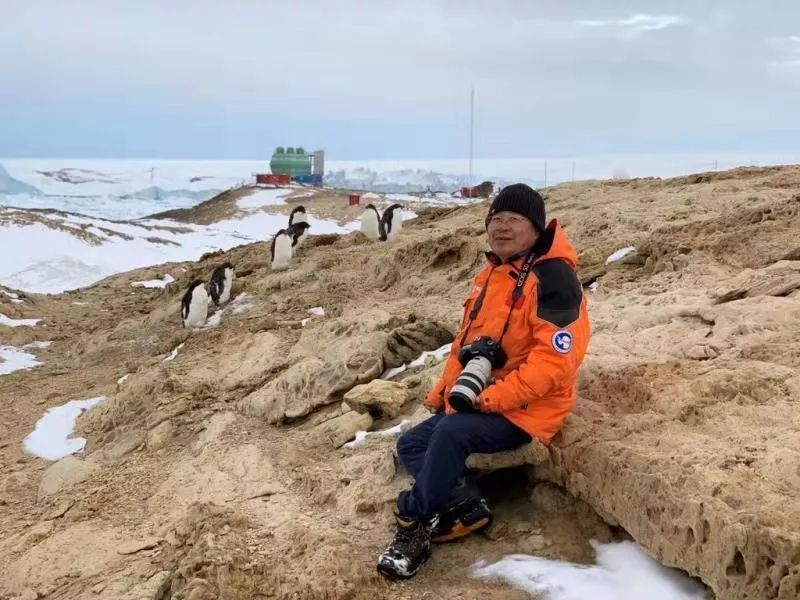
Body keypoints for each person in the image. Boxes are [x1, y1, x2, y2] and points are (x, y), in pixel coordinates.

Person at [377, 183, 591, 580]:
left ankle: (414, 523)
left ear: (537, 227)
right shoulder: (492, 274)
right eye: (495, 219)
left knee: (452, 434)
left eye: (514, 219)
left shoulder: (554, 278)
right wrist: (446, 391)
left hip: (527, 408)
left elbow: (556, 362)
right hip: (484, 396)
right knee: (412, 443)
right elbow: (466, 344)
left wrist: (490, 399)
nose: (502, 227)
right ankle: (464, 504)